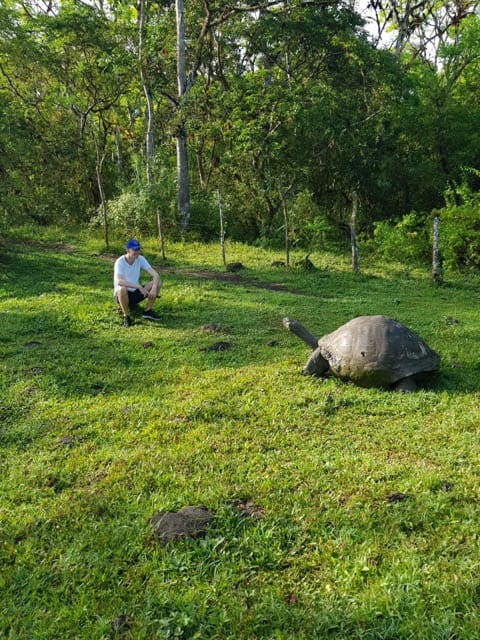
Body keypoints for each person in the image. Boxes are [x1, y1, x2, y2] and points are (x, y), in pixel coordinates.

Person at [114, 239, 161, 327]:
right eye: (134, 250)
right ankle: (126, 316)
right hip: (122, 295)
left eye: (138, 249)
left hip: (135, 293)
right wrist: (139, 286)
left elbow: (155, 274)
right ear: (127, 250)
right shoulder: (120, 262)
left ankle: (147, 311)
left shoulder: (140, 259)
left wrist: (154, 288)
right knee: (121, 288)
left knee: (158, 282)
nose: (137, 252)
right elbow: (119, 281)